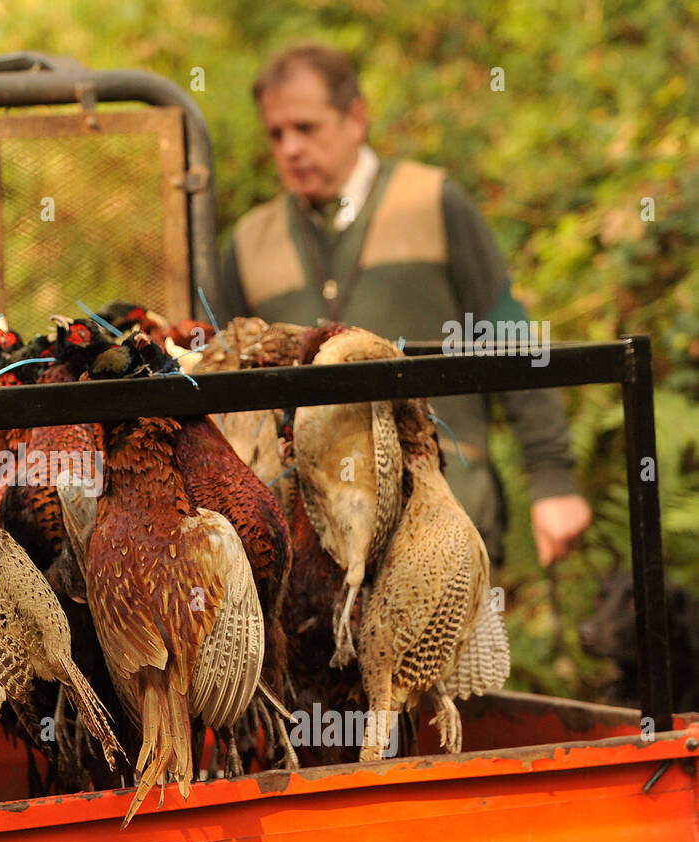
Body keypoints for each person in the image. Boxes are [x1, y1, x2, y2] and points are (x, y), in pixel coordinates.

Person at [222, 43, 592, 568]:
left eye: (307, 128)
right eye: (276, 134)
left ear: (355, 118)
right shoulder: (248, 243)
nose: (291, 148)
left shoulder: (433, 201)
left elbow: (507, 335)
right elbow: (220, 389)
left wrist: (554, 478)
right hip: (310, 543)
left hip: (448, 518)